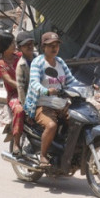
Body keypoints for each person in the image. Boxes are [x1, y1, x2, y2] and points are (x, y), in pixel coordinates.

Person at [24, 31, 79, 169]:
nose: (54, 48)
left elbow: (71, 80)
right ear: (44, 48)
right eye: (50, 46)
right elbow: (34, 83)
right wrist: (46, 91)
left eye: (56, 45)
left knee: (77, 122)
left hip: (61, 104)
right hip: (42, 105)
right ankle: (43, 156)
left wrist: (84, 86)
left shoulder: (60, 62)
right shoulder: (38, 63)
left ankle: (67, 152)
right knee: (51, 126)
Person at [0, 32, 24, 154]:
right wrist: (24, 87)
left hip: (29, 90)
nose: (15, 45)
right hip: (15, 94)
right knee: (19, 110)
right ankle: (16, 143)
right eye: (12, 43)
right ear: (6, 45)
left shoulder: (20, 56)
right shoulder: (0, 64)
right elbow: (9, 81)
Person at [15, 31, 35, 106]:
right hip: (30, 99)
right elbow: (21, 88)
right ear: (20, 48)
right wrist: (26, 106)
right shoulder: (21, 65)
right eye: (26, 45)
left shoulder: (38, 59)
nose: (29, 46)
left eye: (31, 44)